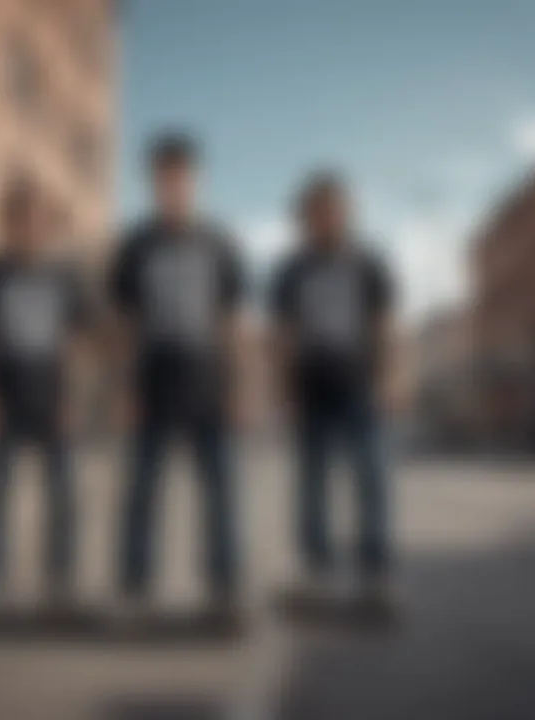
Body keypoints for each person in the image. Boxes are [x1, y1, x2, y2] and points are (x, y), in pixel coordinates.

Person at [108, 132, 247, 618]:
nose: (173, 185)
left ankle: (223, 590)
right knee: (142, 493)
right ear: (152, 182)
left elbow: (230, 322)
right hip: (153, 381)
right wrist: (124, 388)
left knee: (220, 493)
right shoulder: (136, 245)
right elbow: (126, 325)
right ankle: (134, 590)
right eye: (163, 177)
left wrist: (236, 388)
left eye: (181, 176)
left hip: (208, 381)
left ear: (195, 180)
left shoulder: (219, 243)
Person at [269, 172, 396, 604]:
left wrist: (390, 380)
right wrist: (283, 390)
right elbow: (284, 335)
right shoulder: (291, 271)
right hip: (311, 392)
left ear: (346, 214)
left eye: (334, 211)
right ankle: (318, 569)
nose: (326, 219)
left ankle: (375, 572)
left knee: (371, 478)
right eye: (317, 213)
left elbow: (384, 326)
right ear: (306, 219)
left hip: (360, 389)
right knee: (312, 486)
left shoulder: (368, 263)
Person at [0, 180, 88, 599]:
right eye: (21, 218)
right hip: (3, 398)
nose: (30, 226)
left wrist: (71, 399)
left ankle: (59, 578)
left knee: (62, 494)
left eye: (38, 219)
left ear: (48, 225)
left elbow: (73, 345)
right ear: (8, 223)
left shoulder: (66, 276)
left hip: (51, 399)